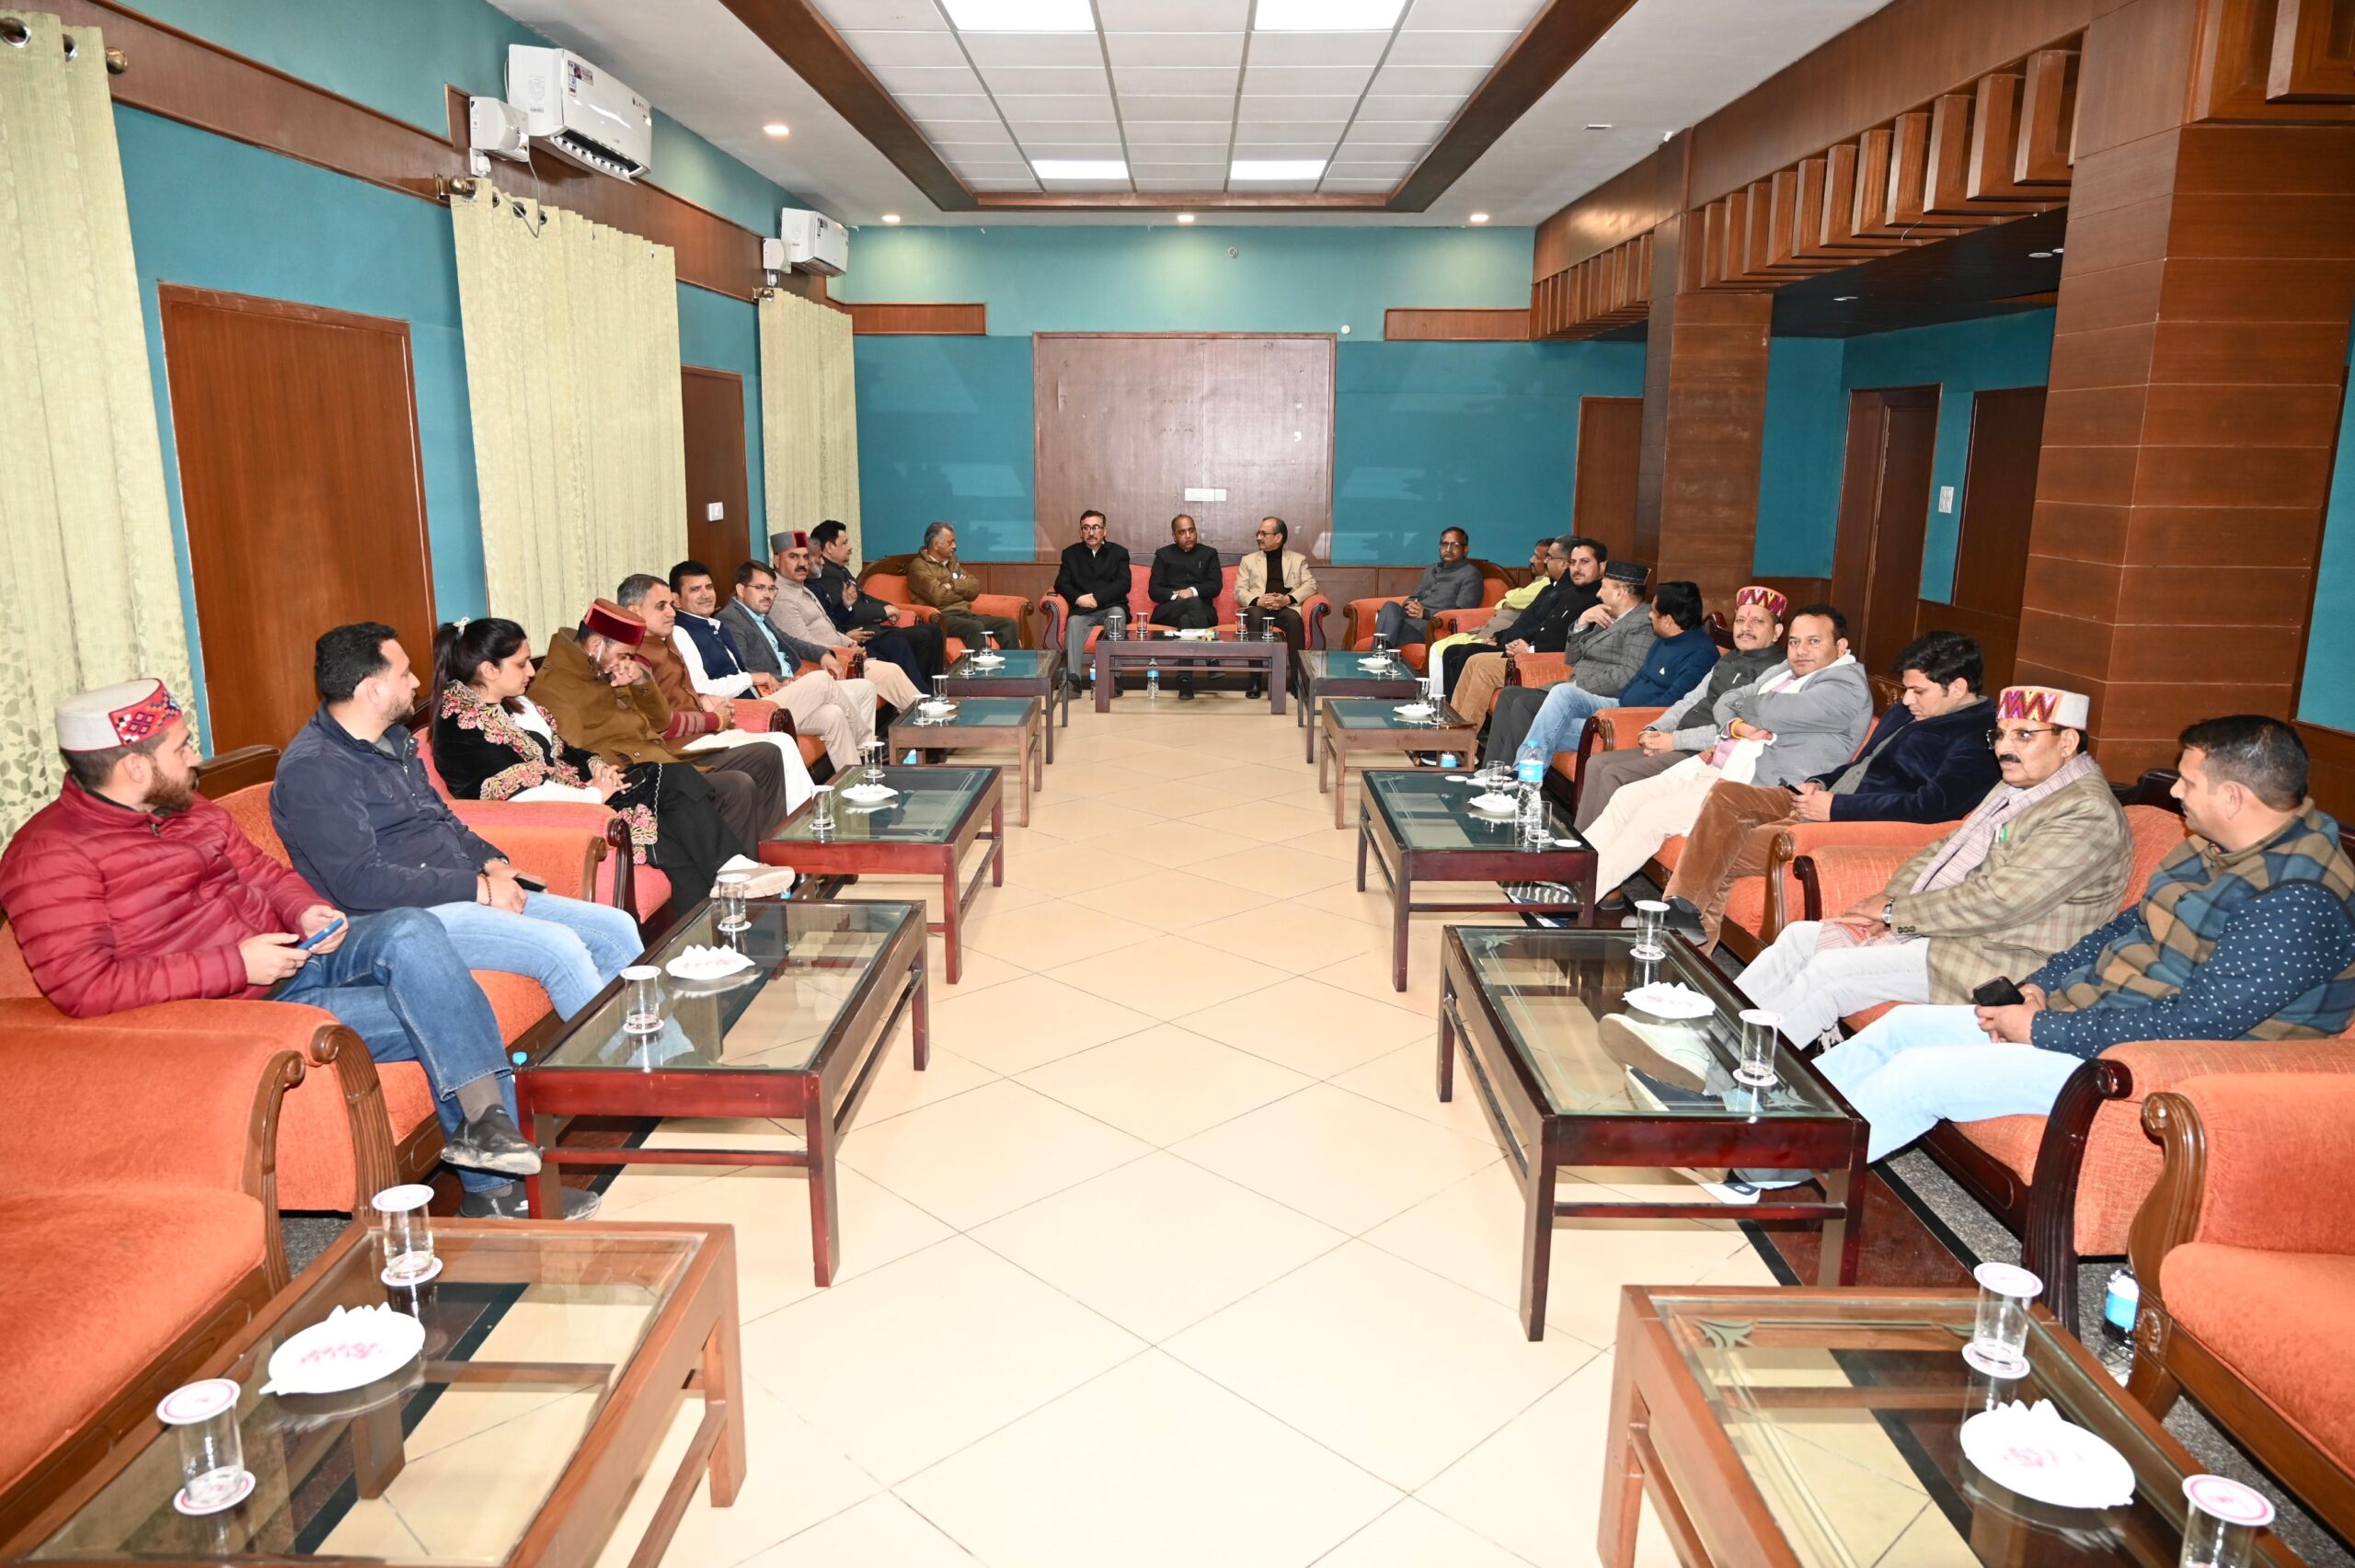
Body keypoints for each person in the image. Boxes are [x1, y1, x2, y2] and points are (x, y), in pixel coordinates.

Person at [1669, 715, 2355, 1196]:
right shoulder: (2212, 847)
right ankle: (1747, 1119)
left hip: (2144, 1063)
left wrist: (2046, 1028)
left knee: (1921, 1074)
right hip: (2086, 1019)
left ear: (2234, 796)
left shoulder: (2298, 899)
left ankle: (1762, 1168)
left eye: (2188, 782)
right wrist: (2038, 986)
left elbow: (2199, 1025)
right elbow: (2119, 931)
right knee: (1900, 1030)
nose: (2175, 793)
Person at [0, 678, 580, 1219]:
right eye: (180, 750)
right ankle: (495, 1190)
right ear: (134, 767)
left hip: (301, 955)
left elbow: (266, 874)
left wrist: (305, 910)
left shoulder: (188, 810)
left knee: (409, 928)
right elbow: (84, 987)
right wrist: (235, 965)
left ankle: (487, 1135)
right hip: (237, 1006)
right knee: (453, 1011)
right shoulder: (48, 856)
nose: (195, 759)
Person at [1708, 685, 2132, 1052]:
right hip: (1951, 933)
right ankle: (1707, 1040)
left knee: (1830, 974)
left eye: (2024, 735)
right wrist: (1889, 905)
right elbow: (1943, 850)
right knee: (1799, 938)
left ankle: (1738, 1072)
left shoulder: (2085, 812)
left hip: (2000, 956)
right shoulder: (2019, 785)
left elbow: (1999, 901)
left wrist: (1895, 914)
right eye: (2000, 734)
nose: (2005, 748)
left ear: (2067, 742)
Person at [272, 623, 645, 1025]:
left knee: (615, 927)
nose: (416, 682)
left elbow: (443, 818)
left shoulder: (392, 741)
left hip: (459, 890)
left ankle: (663, 1053)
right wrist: (478, 888)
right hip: (406, 917)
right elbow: (359, 882)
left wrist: (493, 863)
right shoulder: (317, 769)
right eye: (404, 674)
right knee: (560, 947)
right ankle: (615, 1064)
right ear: (373, 690)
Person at [1656, 629, 2004, 947]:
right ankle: (1681, 911)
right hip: (1826, 799)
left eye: (1918, 691)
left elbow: (1932, 809)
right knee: (1728, 795)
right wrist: (1819, 783)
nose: (1907, 700)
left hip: (1855, 823)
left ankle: (1680, 935)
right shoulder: (1908, 712)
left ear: (1957, 688)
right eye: (1907, 690)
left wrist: (1836, 808)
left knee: (1722, 845)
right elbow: (1861, 765)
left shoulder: (1979, 738)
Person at [433, 617, 752, 902]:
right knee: (672, 815)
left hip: (580, 795)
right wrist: (595, 794)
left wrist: (598, 767)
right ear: (489, 670)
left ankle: (729, 886)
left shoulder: (514, 703)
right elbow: (520, 794)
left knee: (674, 786)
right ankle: (733, 875)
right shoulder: (461, 725)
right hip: (553, 820)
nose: (531, 671)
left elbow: (565, 749)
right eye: (521, 664)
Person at [1580, 603, 1872, 898]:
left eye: (1814, 641)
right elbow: (1725, 701)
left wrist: (1744, 706)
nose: (1801, 651)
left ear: (1840, 646)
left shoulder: (1846, 686)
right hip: (1715, 763)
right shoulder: (1785, 669)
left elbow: (1769, 710)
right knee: (1626, 798)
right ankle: (1567, 874)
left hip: (1754, 787)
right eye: (1795, 642)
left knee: (1651, 818)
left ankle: (1579, 897)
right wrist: (1738, 725)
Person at [530, 599, 792, 850]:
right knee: (737, 785)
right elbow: (575, 758)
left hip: (663, 756)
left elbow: (661, 721)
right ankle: (739, 872)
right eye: (624, 655)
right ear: (596, 644)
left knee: (767, 754)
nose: (626, 663)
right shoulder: (554, 689)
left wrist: (640, 682)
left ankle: (770, 849)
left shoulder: (604, 666)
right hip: (638, 775)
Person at [1577, 585, 1789, 835]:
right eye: (1741, 620)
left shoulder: (1776, 673)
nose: (1746, 627)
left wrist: (1673, 741)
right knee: (1596, 764)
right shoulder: (1729, 658)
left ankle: (1593, 853)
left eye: (1757, 621)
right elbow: (1690, 700)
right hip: (1676, 740)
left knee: (1614, 774)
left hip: (1702, 754)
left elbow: (1735, 731)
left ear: (1777, 632)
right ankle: (1578, 848)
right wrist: (1655, 728)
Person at [625, 571, 865, 773]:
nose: (706, 594)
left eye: (709, 587)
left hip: (757, 697)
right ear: (678, 599)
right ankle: (867, 747)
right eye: (695, 590)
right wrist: (752, 678)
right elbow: (701, 687)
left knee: (832, 714)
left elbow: (767, 655)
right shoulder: (679, 633)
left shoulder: (712, 626)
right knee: (821, 680)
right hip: (739, 709)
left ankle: (856, 779)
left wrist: (777, 681)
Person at [1487, 578, 1717, 769]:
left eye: (1654, 612)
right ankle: (1513, 773)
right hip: (1617, 703)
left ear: (1668, 620)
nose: (1649, 616)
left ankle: (1522, 774)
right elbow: (1637, 678)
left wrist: (1620, 713)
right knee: (1562, 693)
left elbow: (1674, 701)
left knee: (1541, 725)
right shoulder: (1663, 640)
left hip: (1633, 717)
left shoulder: (1699, 653)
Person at [756, 539, 923, 713]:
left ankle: (923, 717)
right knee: (890, 672)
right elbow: (803, 643)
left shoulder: (802, 588)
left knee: (893, 664)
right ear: (777, 561)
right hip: (825, 664)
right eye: (793, 557)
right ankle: (925, 718)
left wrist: (849, 643)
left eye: (805, 557)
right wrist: (845, 652)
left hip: (842, 654)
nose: (802, 563)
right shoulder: (781, 597)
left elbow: (829, 628)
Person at [1440, 535, 1606, 705]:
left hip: (1542, 659)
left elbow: (1570, 645)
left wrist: (1528, 649)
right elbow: (1544, 626)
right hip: (1524, 648)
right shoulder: (1569, 593)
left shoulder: (1597, 600)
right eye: (1573, 562)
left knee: (1477, 660)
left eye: (1584, 562)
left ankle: (1459, 720)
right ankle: (1452, 716)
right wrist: (1511, 640)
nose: (1576, 568)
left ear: (1601, 567)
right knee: (1469, 658)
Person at [805, 521, 944, 685]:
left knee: (932, 631)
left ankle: (932, 687)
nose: (850, 547)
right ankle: (926, 690)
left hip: (867, 631)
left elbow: (863, 597)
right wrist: (883, 612)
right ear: (829, 547)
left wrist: (888, 606)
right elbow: (849, 612)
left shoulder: (839, 569)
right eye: (845, 543)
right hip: (861, 634)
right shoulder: (826, 575)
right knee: (923, 636)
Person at [1428, 534, 1556, 668]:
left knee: (1442, 649)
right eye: (1444, 544)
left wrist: (1507, 601)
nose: (1531, 559)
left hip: (1505, 637)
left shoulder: (1547, 584)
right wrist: (1505, 603)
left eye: (1537, 557)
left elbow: (1513, 598)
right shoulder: (1542, 581)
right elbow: (1507, 601)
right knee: (1441, 647)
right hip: (1493, 632)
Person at [1234, 515, 1322, 698]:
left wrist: (1287, 599)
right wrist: (1258, 600)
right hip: (1259, 607)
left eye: (1263, 534)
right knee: (1255, 616)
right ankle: (1255, 680)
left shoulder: (1297, 560)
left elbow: (1311, 585)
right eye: (1258, 533)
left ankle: (1297, 681)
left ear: (1278, 537)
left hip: (1284, 608)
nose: (1258, 537)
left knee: (1294, 619)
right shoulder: (1248, 560)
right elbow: (1239, 590)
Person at [907, 521, 1021, 650]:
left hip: (965, 614)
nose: (955, 546)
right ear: (936, 545)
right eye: (950, 542)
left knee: (1008, 624)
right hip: (941, 617)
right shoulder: (919, 567)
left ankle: (1014, 663)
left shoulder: (951, 563)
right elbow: (937, 596)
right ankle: (976, 664)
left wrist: (951, 585)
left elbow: (975, 587)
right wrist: (962, 589)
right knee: (975, 627)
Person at [1053, 509, 1132, 693]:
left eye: (1096, 527)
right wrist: (1078, 598)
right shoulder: (1070, 553)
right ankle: (1073, 679)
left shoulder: (1119, 553)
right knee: (1073, 621)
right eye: (1086, 528)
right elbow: (1061, 583)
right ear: (1080, 532)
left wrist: (1096, 599)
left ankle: (1113, 678)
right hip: (1083, 610)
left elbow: (1124, 584)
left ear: (1105, 531)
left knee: (1117, 615)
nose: (1091, 532)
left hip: (1111, 606)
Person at [1148, 512, 1223, 698]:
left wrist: (1192, 591)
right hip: (1170, 610)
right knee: (1190, 604)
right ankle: (1211, 656)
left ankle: (1185, 683)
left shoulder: (1209, 554)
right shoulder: (1163, 555)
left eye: (1191, 530)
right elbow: (1154, 590)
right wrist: (1177, 596)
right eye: (1182, 532)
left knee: (1186, 620)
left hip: (1202, 612)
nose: (1188, 535)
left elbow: (1215, 586)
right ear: (1174, 536)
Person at [1373, 527, 1483, 648]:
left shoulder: (1471, 575)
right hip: (1409, 620)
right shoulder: (1431, 569)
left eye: (1455, 545)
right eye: (1445, 544)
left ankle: (1378, 652)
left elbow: (1462, 614)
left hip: (1429, 627)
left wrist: (1425, 613)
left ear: (1465, 549)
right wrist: (1410, 606)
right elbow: (1414, 597)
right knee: (1390, 606)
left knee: (1387, 632)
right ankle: (1381, 651)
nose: (1448, 549)